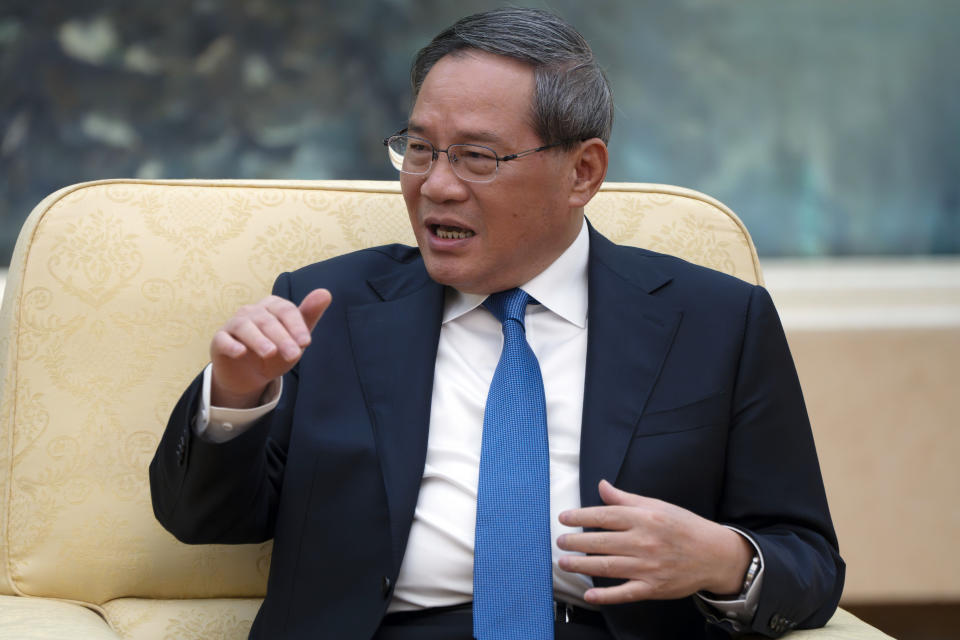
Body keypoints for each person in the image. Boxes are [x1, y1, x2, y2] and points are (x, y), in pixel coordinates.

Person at [150, 8, 843, 640]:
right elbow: (205, 520)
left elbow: (807, 561)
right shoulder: (329, 308)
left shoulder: (715, 320)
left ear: (583, 171)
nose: (437, 185)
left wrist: (721, 559)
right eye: (419, 149)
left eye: (478, 157)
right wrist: (237, 397)